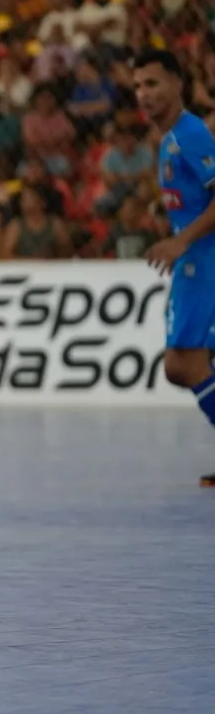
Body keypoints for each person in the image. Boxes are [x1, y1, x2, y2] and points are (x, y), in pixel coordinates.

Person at [133, 50, 215, 487]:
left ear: (179, 84)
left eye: (153, 83)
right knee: (190, 362)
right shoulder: (170, 139)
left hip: (202, 260)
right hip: (196, 258)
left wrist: (182, 239)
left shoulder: (189, 135)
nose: (143, 94)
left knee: (182, 365)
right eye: (138, 87)